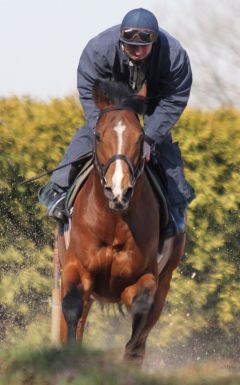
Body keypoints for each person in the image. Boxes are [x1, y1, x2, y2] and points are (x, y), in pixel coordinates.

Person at [39, 8, 195, 238]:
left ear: (155, 41)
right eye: (131, 47)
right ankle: (57, 191)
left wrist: (149, 138)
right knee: (94, 136)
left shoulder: (175, 56)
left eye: (144, 46)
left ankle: (175, 207)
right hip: (111, 97)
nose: (138, 51)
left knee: (164, 150)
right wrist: (101, 127)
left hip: (156, 100)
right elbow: (88, 89)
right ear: (121, 42)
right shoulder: (99, 50)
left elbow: (174, 99)